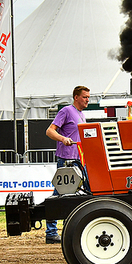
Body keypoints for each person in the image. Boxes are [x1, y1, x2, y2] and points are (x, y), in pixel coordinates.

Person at [44, 86, 90, 244]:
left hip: (78, 159)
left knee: (80, 193)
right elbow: (49, 131)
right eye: (84, 97)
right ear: (76, 97)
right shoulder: (66, 111)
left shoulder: (82, 115)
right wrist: (63, 139)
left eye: (88, 97)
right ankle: (51, 232)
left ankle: (71, 228)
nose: (87, 100)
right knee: (60, 194)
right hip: (66, 159)